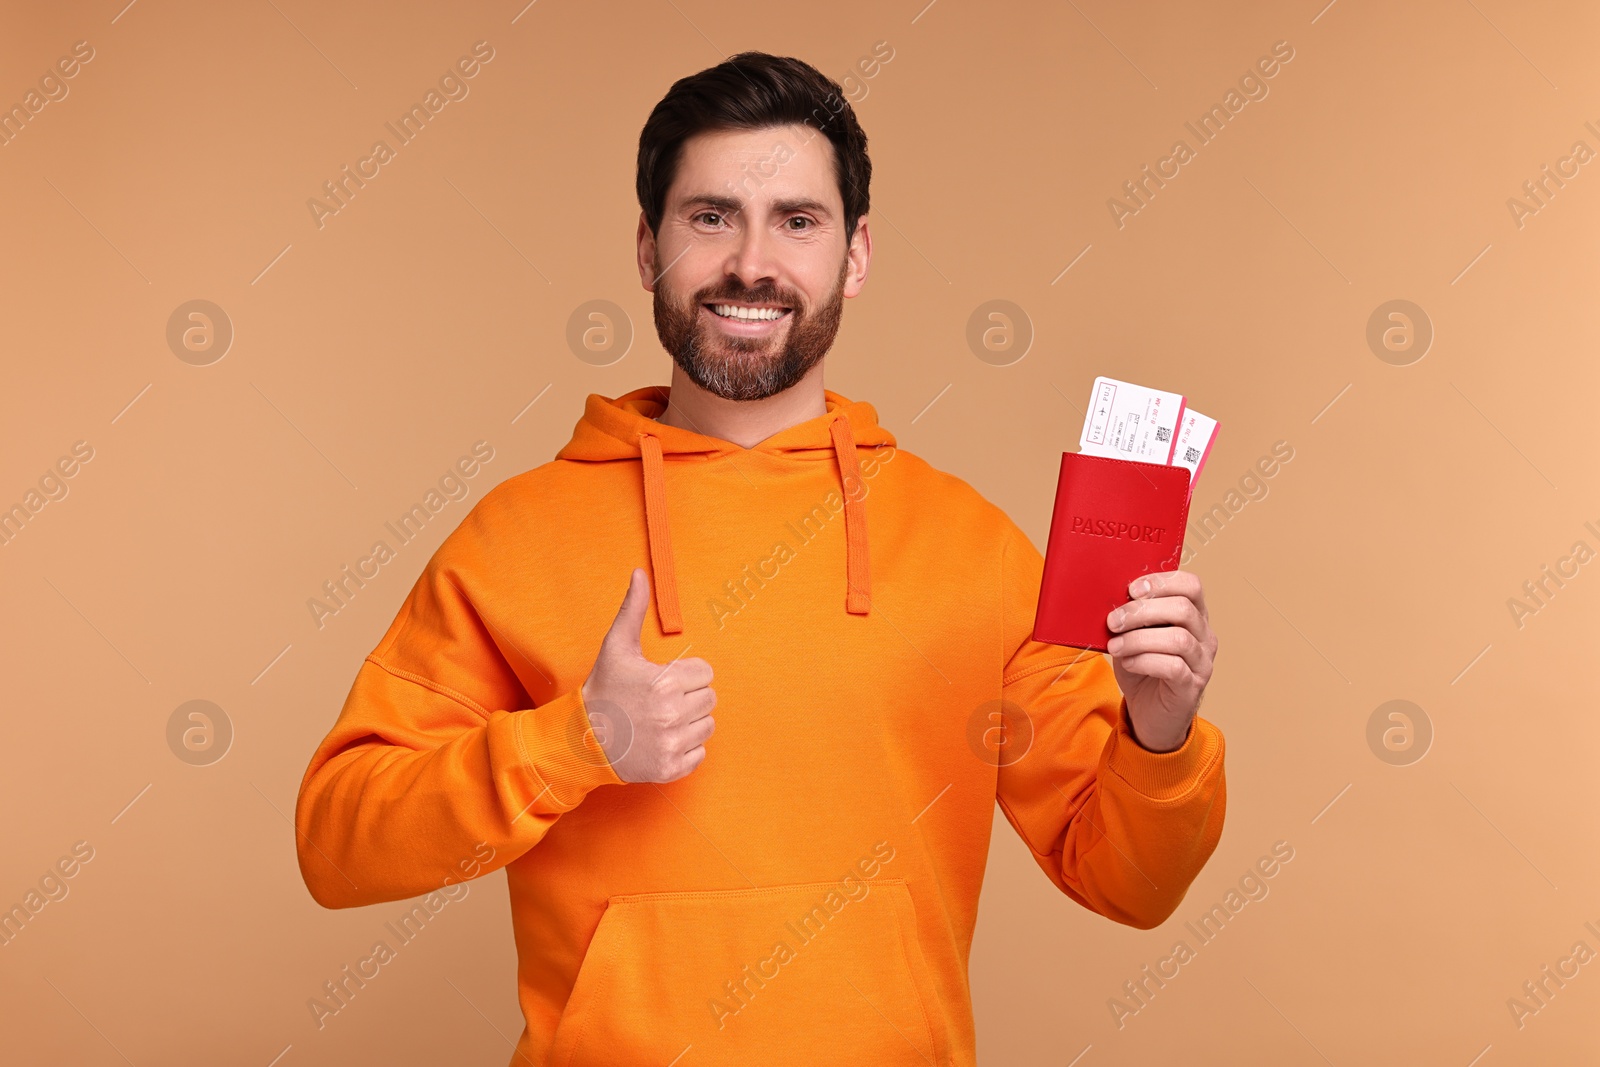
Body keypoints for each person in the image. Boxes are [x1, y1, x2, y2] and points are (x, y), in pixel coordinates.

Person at [295, 51, 1225, 1067]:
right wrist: (575, 742)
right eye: (709, 217)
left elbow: (1128, 883)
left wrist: (1160, 730)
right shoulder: (514, 536)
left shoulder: (973, 547)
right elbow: (339, 844)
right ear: (647, 248)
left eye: (795, 219)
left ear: (855, 254)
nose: (750, 262)